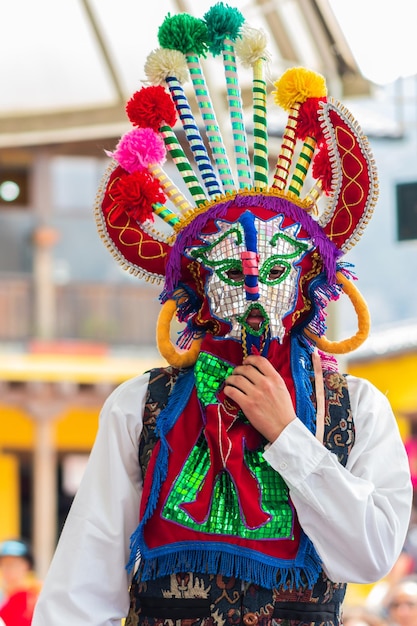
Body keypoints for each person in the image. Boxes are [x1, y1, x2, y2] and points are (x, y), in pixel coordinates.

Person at [32, 4, 412, 626]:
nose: (257, 290)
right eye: (233, 272)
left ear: (311, 279)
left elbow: (368, 556)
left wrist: (289, 435)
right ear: (196, 289)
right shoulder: (141, 408)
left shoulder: (358, 408)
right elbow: (78, 597)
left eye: (277, 268)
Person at [0, 539, 40, 626]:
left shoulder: (35, 596)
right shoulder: (3, 596)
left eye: (12, 564)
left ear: (27, 566)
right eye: (4, 564)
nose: (7, 569)